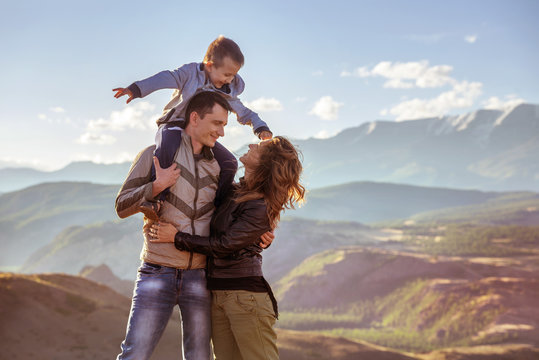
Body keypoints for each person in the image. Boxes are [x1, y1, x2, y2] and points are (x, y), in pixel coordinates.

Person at [114, 91, 273, 360]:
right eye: (217, 123)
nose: (222, 132)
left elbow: (233, 213)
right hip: (156, 271)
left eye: (225, 124)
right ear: (195, 117)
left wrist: (261, 233)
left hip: (200, 277)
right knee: (134, 355)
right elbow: (121, 206)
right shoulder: (154, 157)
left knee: (200, 358)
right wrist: (156, 186)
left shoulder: (221, 168)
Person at [149, 136, 306, 360]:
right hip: (218, 294)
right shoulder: (235, 192)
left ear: (266, 162)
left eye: (258, 147)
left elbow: (225, 245)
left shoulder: (259, 204)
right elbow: (211, 143)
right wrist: (188, 127)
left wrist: (177, 238)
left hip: (245, 297)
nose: (251, 145)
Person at [113, 35, 273, 220]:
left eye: (233, 75)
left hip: (199, 137)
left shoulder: (226, 92)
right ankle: (157, 200)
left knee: (230, 162)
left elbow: (243, 111)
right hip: (175, 125)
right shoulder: (190, 74)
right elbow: (166, 78)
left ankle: (220, 207)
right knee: (167, 149)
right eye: (226, 75)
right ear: (209, 65)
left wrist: (260, 127)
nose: (229, 80)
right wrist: (137, 89)